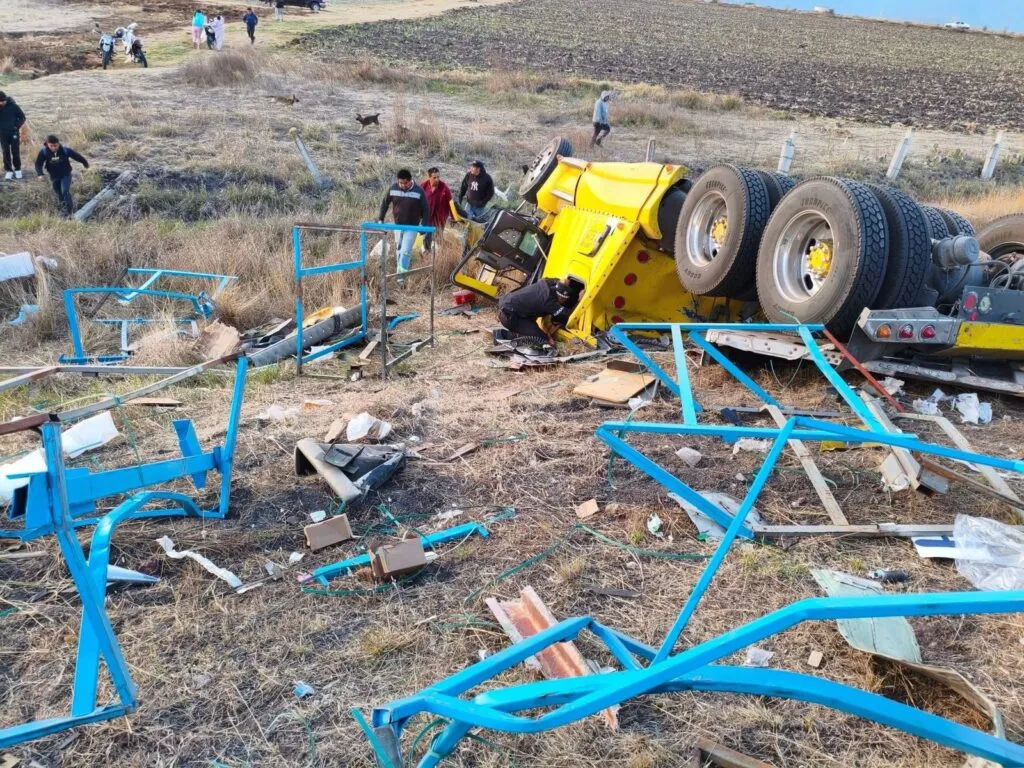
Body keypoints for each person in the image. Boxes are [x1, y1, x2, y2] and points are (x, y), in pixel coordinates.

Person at [497, 278, 579, 345]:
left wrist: (564, 282)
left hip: (510, 305)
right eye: (564, 300)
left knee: (537, 330)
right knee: (542, 340)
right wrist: (579, 301)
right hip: (509, 317)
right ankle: (504, 336)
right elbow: (567, 314)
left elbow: (556, 280)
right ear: (562, 298)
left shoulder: (547, 283)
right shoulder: (548, 302)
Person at [377, 169, 429, 275]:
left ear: (410, 180)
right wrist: (381, 219)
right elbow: (385, 203)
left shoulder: (419, 191)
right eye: (400, 183)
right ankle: (399, 273)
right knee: (399, 250)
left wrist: (423, 225)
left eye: (405, 183)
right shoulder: (393, 189)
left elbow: (426, 209)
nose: (403, 185)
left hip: (412, 227)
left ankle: (401, 278)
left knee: (405, 252)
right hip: (398, 226)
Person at [35, 135, 89, 217]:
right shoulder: (44, 152)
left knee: (65, 191)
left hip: (65, 174)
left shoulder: (64, 150)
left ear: (58, 143)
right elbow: (38, 164)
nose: (53, 148)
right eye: (51, 146)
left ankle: (70, 212)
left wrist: (85, 163)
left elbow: (77, 156)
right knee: (59, 193)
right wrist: (40, 174)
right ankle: (63, 210)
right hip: (54, 176)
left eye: (55, 145)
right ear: (47, 144)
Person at [421, 167, 451, 252]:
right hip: (428, 217)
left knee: (438, 238)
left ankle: (446, 249)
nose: (437, 179)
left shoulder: (444, 187)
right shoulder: (423, 186)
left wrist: (453, 217)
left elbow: (451, 202)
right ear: (429, 177)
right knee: (427, 236)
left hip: (440, 217)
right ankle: (426, 252)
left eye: (438, 177)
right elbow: (417, 200)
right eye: (434, 177)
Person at [0, 92, 27, 181]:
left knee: (15, 151)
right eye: (0, 101)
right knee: (5, 152)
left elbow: (22, 117)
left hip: (13, 133)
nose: (1, 103)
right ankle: (9, 171)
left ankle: (18, 169)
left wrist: (16, 126)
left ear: (6, 99)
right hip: (2, 134)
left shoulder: (14, 106)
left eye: (3, 101)